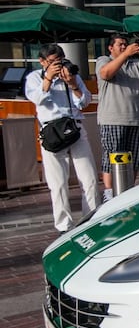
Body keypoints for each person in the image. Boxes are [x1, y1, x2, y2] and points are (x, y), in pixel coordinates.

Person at [25, 43, 99, 233]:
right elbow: (37, 99)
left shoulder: (71, 75)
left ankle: (90, 220)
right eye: (52, 62)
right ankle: (64, 226)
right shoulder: (34, 78)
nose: (58, 66)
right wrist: (48, 78)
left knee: (89, 179)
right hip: (51, 132)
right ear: (42, 62)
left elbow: (85, 102)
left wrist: (73, 85)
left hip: (74, 128)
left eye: (60, 61)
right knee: (57, 183)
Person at [95, 33, 139, 203]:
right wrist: (125, 54)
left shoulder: (135, 64)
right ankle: (109, 194)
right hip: (112, 120)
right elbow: (105, 74)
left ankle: (127, 190)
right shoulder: (103, 60)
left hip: (136, 120)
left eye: (125, 44)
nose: (124, 47)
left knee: (134, 159)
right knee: (111, 157)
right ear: (110, 48)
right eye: (120, 45)